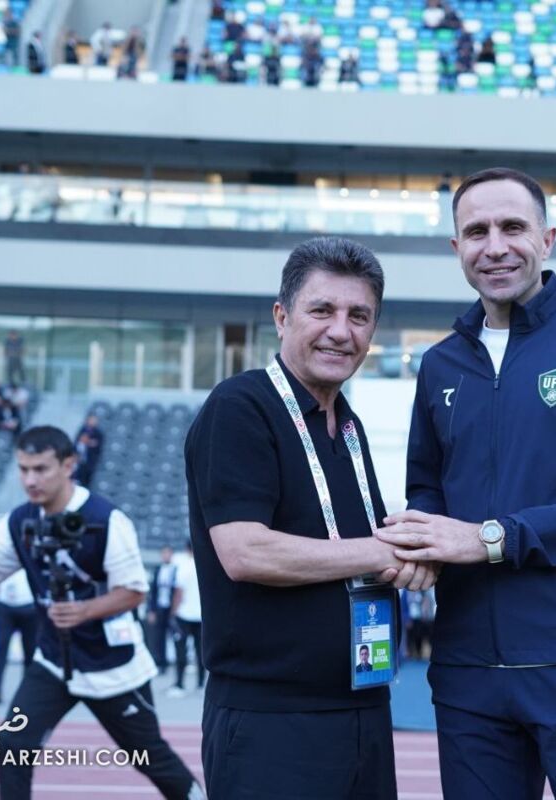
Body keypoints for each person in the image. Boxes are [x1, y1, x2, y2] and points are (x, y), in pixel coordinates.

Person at [376, 168, 556, 799]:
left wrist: (493, 539)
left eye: (513, 227)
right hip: (468, 666)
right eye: (477, 232)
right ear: (457, 248)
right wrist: (422, 543)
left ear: (547, 239)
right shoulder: (440, 364)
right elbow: (427, 487)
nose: (496, 247)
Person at [185, 237, 431, 799]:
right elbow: (245, 552)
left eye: (359, 316)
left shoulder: (349, 425)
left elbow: (358, 546)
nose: (341, 331)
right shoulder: (240, 406)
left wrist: (419, 547)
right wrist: (384, 552)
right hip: (274, 722)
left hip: (365, 704)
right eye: (322, 310)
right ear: (281, 316)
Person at [0, 426, 201, 799]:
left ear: (68, 465)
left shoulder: (106, 519)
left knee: (150, 757)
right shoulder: (19, 521)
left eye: (40, 469)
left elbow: (134, 592)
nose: (30, 480)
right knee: (13, 745)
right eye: (23, 469)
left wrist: (84, 610)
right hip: (54, 660)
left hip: (112, 666)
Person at [0, 571, 37, 704]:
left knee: (30, 652)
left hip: (29, 606)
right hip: (4, 606)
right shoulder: (5, 560)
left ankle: (27, 694)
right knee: (1, 649)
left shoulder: (32, 560)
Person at [167, 540, 204, 698]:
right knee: (200, 651)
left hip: (184, 614)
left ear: (187, 550)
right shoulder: (206, 565)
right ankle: (201, 684)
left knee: (180, 650)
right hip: (201, 615)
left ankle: (180, 685)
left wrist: (173, 612)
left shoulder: (184, 566)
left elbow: (178, 592)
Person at [147, 546, 177, 674]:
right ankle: (160, 663)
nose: (166, 556)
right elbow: (153, 592)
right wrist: (151, 610)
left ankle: (178, 663)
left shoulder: (176, 570)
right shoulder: (158, 569)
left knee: (175, 635)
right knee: (158, 637)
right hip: (160, 607)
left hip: (171, 609)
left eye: (168, 553)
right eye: (164, 553)